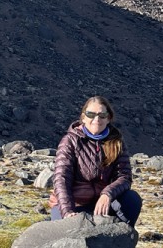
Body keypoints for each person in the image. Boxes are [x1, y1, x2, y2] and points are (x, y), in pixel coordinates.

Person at [49, 96, 142, 226]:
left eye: (102, 115)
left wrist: (107, 194)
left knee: (132, 199)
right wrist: (67, 211)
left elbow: (124, 177)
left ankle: (120, 241)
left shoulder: (116, 142)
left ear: (109, 118)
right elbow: (61, 179)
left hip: (101, 203)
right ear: (83, 117)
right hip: (74, 203)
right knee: (64, 232)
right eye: (91, 114)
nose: (96, 119)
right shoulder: (70, 141)